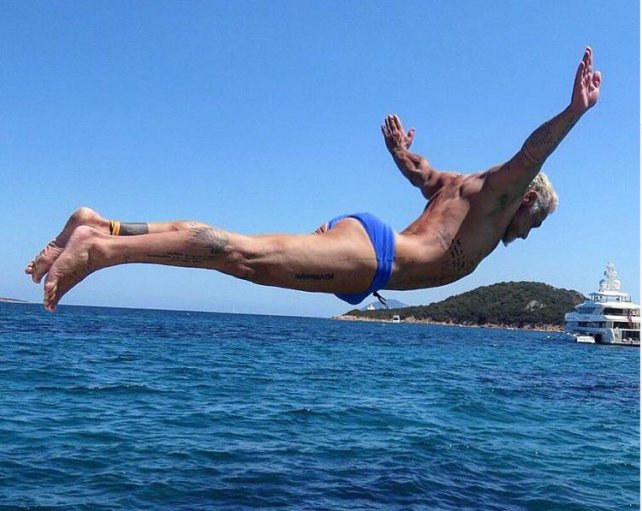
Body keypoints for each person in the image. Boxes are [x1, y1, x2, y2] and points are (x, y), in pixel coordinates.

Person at [26, 47, 601, 312]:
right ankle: (101, 252)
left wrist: (400, 153)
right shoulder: (502, 193)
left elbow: (420, 173)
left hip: (366, 251)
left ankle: (101, 226)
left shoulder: (459, 188)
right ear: (528, 197)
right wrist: (574, 112)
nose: (525, 234)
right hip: (372, 258)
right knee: (238, 255)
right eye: (534, 222)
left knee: (240, 255)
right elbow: (532, 152)